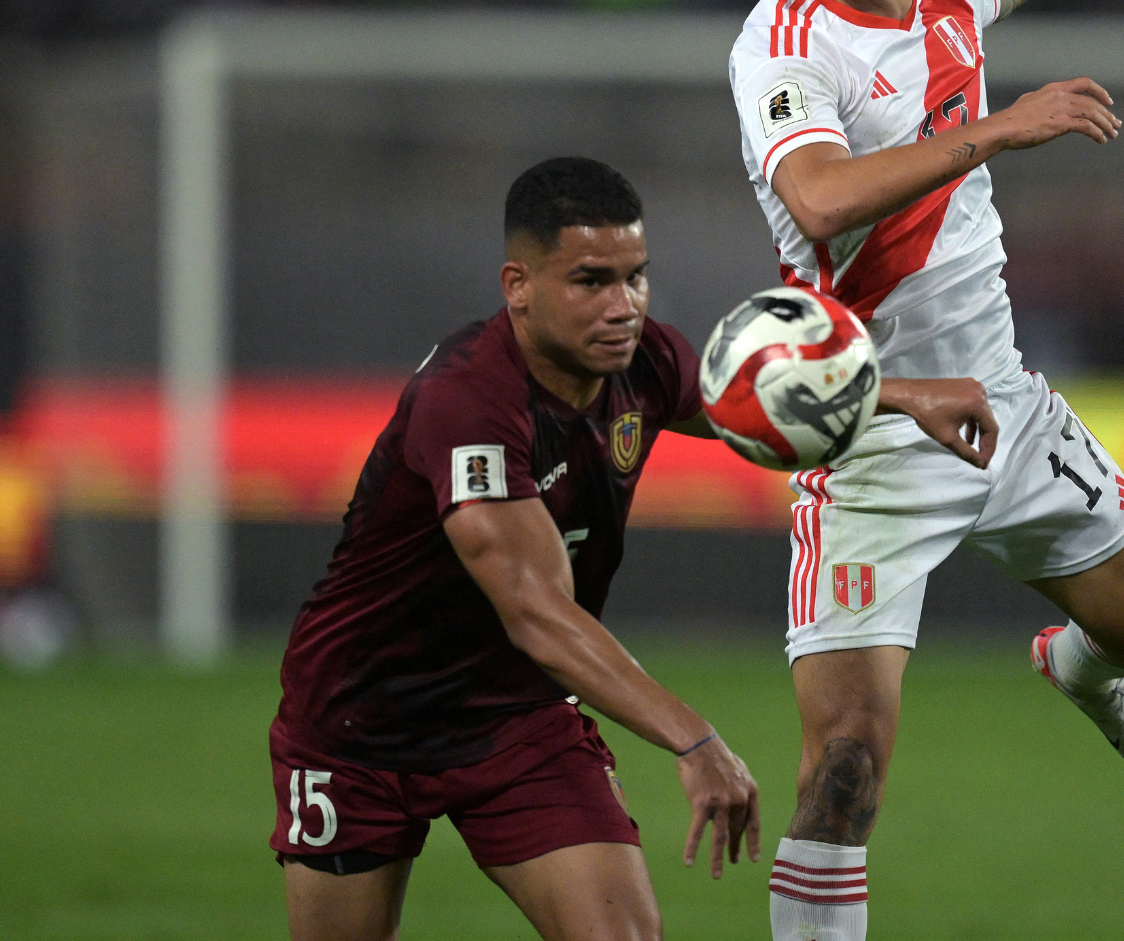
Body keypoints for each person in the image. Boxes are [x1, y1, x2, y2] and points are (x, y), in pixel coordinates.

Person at [269, 156, 999, 941]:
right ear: (518, 285)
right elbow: (535, 612)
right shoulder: (467, 403)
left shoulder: (641, 361)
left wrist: (905, 395)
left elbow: (757, 392)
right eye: (591, 281)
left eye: (636, 277)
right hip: (363, 726)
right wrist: (692, 737)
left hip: (520, 720)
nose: (623, 306)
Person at [730, 0, 1124, 941]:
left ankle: (1078, 671)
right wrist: (998, 127)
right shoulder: (782, 48)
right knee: (844, 768)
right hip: (871, 430)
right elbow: (822, 194)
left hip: (1006, 407)